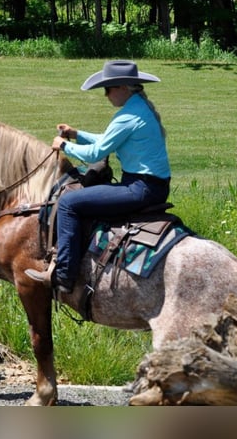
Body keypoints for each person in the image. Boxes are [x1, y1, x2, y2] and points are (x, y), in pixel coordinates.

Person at [25, 60, 171, 293]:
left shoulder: (128, 116)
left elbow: (97, 152)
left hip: (140, 188)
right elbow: (107, 140)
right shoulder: (137, 109)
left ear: (123, 87)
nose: (105, 95)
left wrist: (64, 145)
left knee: (68, 204)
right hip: (151, 185)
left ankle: (63, 276)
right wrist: (76, 134)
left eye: (108, 89)